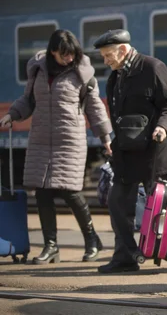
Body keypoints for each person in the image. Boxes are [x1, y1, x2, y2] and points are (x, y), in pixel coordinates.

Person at [92, 29, 167, 273]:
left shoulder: (152, 67)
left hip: (155, 150)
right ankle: (125, 256)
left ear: (123, 50)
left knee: (163, 205)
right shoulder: (115, 77)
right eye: (103, 56)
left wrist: (162, 127)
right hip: (127, 152)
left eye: (108, 55)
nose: (105, 60)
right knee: (117, 201)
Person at [0, 29, 111, 264]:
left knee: (70, 192)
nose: (69, 58)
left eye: (72, 54)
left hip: (69, 140)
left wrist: (105, 137)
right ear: (52, 52)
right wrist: (12, 114)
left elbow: (94, 106)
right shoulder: (39, 71)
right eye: (64, 54)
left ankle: (92, 239)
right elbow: (28, 100)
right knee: (42, 192)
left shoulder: (82, 73)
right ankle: (51, 246)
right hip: (40, 138)